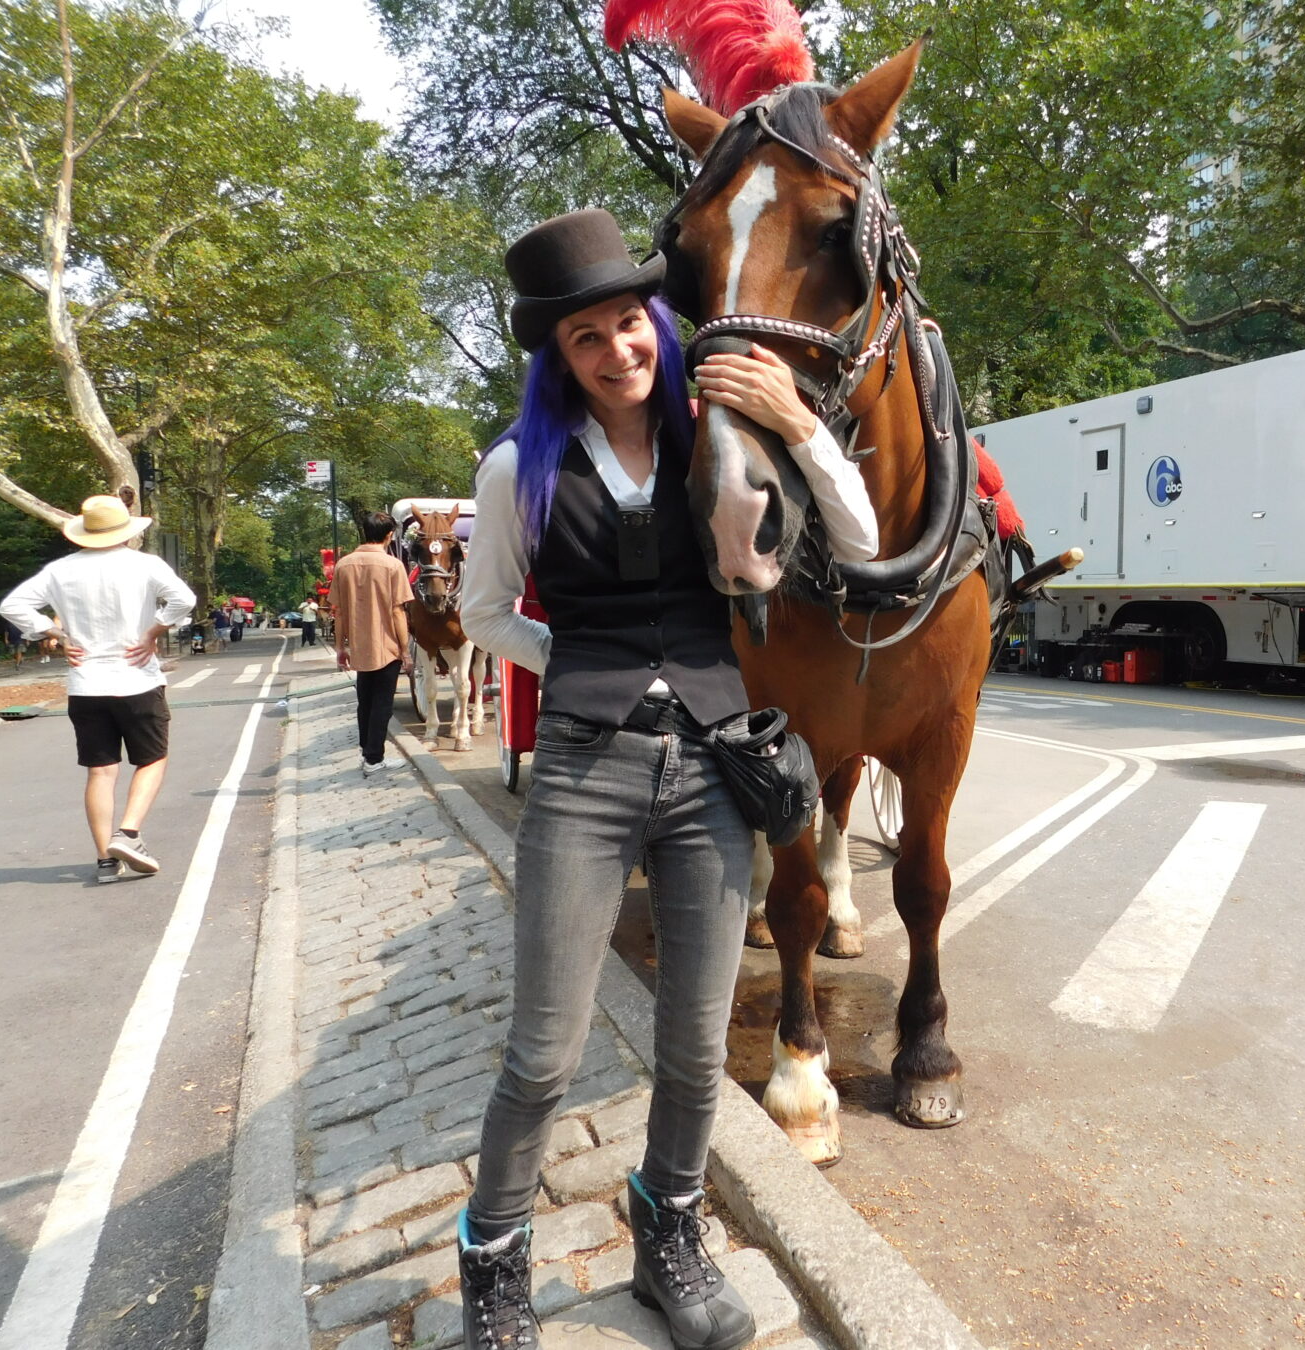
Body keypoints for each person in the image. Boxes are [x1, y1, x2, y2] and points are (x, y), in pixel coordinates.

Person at [453, 210, 877, 1350]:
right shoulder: (516, 465)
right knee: (541, 1055)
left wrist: (800, 423)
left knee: (695, 1046)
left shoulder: (722, 436)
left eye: (628, 325)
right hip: (584, 775)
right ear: (559, 356)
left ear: (658, 323)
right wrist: (588, 667)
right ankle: (493, 1265)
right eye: (584, 338)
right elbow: (485, 611)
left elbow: (860, 531)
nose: (616, 352)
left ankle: (668, 1233)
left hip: (709, 773)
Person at [0, 494, 196, 883]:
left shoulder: (60, 571)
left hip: (86, 682)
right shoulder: (144, 565)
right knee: (152, 760)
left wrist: (55, 631)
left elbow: (13, 605)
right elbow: (184, 600)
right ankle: (130, 833)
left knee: (100, 772)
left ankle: (106, 859)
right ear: (126, 530)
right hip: (137, 676)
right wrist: (154, 631)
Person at [330, 514, 414, 776]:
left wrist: (340, 647)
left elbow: (339, 612)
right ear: (389, 535)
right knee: (382, 704)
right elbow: (398, 611)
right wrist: (405, 650)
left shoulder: (343, 565)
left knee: (364, 701)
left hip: (359, 645)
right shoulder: (393, 566)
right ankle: (374, 759)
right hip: (387, 645)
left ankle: (367, 751)